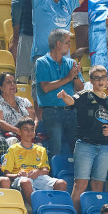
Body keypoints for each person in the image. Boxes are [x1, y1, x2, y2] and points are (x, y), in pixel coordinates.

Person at [59, 64, 108, 213]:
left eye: (103, 78)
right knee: (81, 183)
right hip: (86, 145)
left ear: (106, 79)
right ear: (91, 80)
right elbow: (72, 101)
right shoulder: (85, 95)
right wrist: (65, 97)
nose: (100, 81)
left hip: (104, 147)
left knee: (99, 185)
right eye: (97, 78)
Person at [35, 29, 81, 158]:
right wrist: (68, 77)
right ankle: (55, 177)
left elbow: (80, 88)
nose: (70, 46)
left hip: (72, 111)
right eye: (67, 42)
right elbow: (45, 87)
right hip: (52, 112)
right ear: (58, 44)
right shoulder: (42, 62)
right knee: (55, 149)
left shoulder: (71, 63)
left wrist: (75, 77)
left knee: (77, 148)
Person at [3, 118, 67, 211]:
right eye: (26, 129)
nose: (29, 132)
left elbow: (46, 171)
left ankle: (56, 211)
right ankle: (38, 211)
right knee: (26, 181)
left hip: (39, 177)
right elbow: (6, 174)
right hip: (21, 178)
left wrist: (38, 172)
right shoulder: (13, 149)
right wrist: (18, 174)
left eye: (32, 129)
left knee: (62, 183)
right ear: (19, 132)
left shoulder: (41, 149)